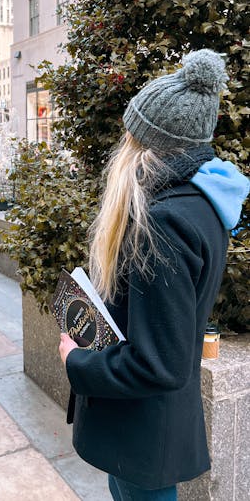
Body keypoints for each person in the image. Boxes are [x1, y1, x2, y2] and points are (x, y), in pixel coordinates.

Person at [58, 49, 249, 501]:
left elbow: (159, 363)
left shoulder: (162, 222)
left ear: (149, 145)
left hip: (142, 431)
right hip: (150, 428)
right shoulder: (203, 203)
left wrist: (75, 360)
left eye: (131, 133)